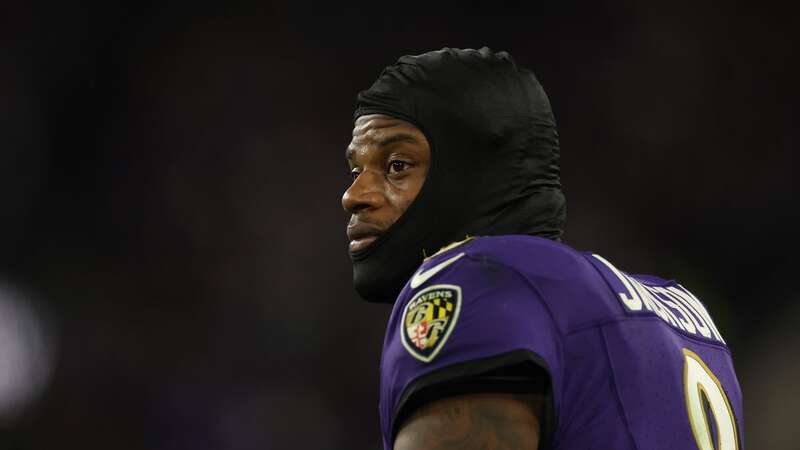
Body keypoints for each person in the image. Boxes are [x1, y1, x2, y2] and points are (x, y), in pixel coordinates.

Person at [342, 47, 743, 450]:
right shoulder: (685, 315)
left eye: (397, 165)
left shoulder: (476, 278)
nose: (353, 195)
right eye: (356, 170)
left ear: (472, 170)